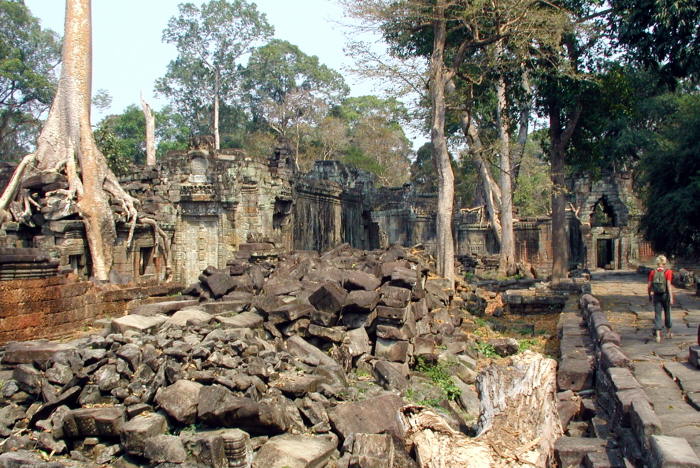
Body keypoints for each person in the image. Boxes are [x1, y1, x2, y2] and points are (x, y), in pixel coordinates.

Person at [647, 255, 674, 342]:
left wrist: (649, 295)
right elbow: (669, 285)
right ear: (665, 263)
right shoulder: (668, 272)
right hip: (665, 295)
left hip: (656, 295)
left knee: (657, 315)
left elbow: (649, 286)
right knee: (668, 313)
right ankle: (668, 332)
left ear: (657, 263)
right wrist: (671, 297)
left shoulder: (653, 272)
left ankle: (658, 336)